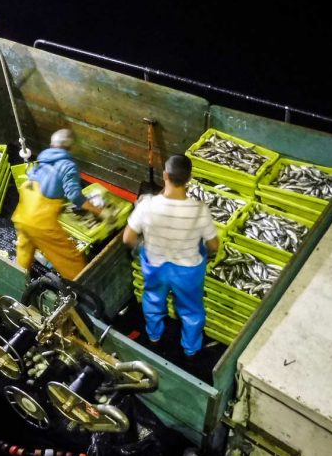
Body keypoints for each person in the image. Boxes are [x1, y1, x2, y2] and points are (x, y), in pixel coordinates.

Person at [122, 154, 219, 357]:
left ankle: (154, 336)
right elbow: (213, 245)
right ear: (189, 179)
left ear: (165, 175)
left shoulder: (146, 205)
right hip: (187, 270)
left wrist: (141, 248)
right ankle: (191, 349)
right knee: (191, 310)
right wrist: (207, 253)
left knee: (153, 299)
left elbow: (128, 238)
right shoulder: (199, 210)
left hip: (156, 265)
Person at [12, 129, 102, 280]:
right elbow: (74, 195)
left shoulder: (43, 158)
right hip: (40, 220)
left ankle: (17, 279)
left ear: (52, 144)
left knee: (25, 247)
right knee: (69, 258)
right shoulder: (68, 165)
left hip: (24, 212)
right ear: (71, 148)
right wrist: (95, 209)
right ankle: (83, 291)